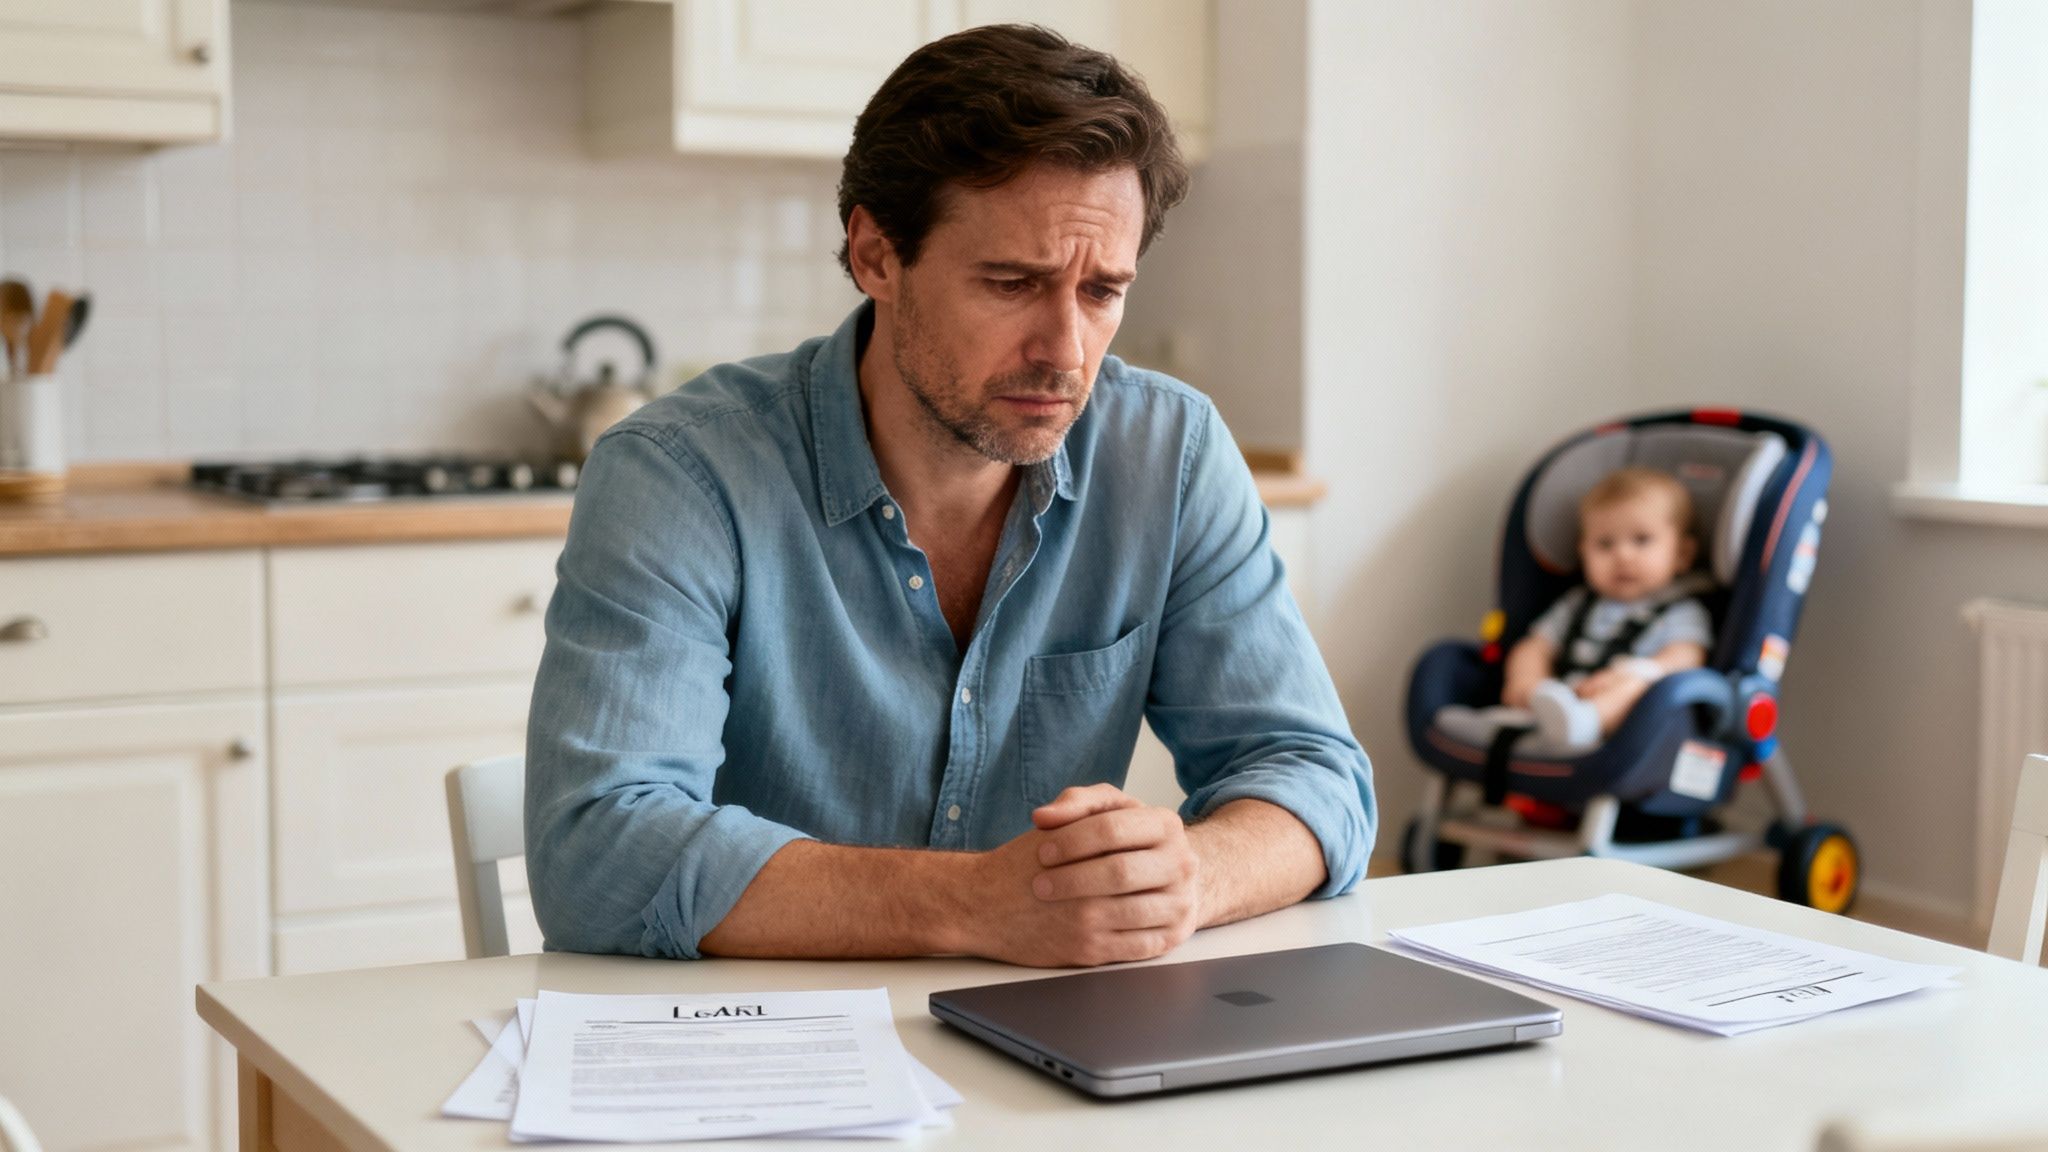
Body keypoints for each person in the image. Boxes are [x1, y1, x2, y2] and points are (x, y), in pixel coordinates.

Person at [524, 24, 1374, 968]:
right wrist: (979, 906)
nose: (1066, 351)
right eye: (1013, 283)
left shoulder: (1168, 454)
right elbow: (596, 855)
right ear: (876, 255)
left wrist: (1187, 878)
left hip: (1053, 1054)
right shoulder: (682, 473)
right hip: (761, 1054)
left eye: (1103, 292)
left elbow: (1316, 777)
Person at [1499, 466, 1714, 750]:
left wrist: (1636, 672)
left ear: (1682, 554)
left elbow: (1688, 656)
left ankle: (1586, 722)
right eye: (1604, 544)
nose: (1623, 556)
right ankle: (1538, 707)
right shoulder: (1577, 604)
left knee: (1638, 689)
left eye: (1642, 540)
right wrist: (1529, 682)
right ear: (1582, 551)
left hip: (1631, 715)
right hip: (1565, 695)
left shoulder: (1682, 612)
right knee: (1527, 648)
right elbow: (1540, 644)